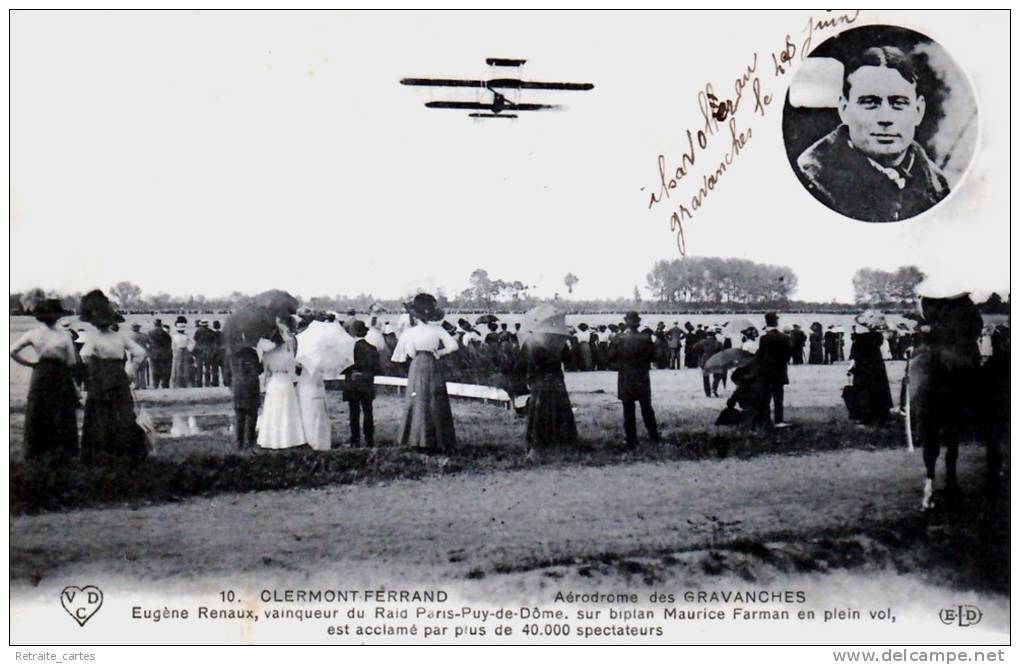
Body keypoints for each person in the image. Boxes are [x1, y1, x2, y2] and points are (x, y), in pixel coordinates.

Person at [795, 46, 949, 222]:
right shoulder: (811, 181)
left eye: (898, 103)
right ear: (844, 109)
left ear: (918, 111)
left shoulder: (938, 185)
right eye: (870, 103)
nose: (885, 118)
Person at [76, 290, 149, 463]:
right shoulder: (121, 337)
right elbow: (140, 352)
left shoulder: (93, 339)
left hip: (100, 377)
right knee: (122, 411)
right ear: (113, 321)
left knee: (100, 412)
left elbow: (84, 356)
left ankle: (101, 450)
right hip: (118, 375)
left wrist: (95, 367)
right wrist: (130, 371)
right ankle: (126, 450)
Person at [10, 299, 80, 461]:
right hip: (59, 373)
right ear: (57, 316)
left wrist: (30, 364)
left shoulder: (33, 333)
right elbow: (71, 361)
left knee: (39, 410)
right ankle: (62, 450)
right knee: (61, 410)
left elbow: (12, 351)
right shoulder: (63, 335)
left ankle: (38, 451)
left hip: (41, 372)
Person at [391, 293, 459, 453]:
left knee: (418, 400)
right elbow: (453, 346)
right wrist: (439, 353)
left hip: (417, 365)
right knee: (435, 400)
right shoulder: (438, 329)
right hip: (433, 364)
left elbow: (410, 353)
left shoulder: (410, 332)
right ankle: (439, 439)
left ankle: (417, 439)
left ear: (416, 316)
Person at [608, 311, 661, 447]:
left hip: (626, 377)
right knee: (647, 407)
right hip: (642, 376)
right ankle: (654, 436)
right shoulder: (645, 338)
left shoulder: (618, 338)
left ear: (626, 322)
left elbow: (611, 357)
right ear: (638, 323)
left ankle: (631, 440)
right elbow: (654, 357)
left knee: (628, 409)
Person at [257, 319, 306, 450]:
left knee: (273, 411)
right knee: (287, 411)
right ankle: (289, 438)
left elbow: (266, 372)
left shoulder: (268, 354)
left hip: (274, 382)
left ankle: (272, 439)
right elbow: (292, 369)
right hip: (285, 381)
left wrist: (264, 385)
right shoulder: (288, 354)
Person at [523, 334, 577, 450]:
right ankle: (561, 436)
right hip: (556, 378)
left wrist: (529, 378)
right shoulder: (558, 342)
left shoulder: (534, 341)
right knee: (558, 407)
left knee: (539, 409)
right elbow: (568, 360)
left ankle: (540, 437)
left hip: (540, 379)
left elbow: (530, 363)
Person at [845, 310, 893, 425]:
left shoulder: (862, 339)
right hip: (875, 366)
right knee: (877, 388)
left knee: (864, 389)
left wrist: (851, 364)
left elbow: (856, 352)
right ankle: (880, 415)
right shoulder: (876, 337)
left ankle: (866, 416)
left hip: (864, 367)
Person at [343, 320, 381, 447]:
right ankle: (369, 439)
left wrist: (353, 372)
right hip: (366, 383)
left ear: (353, 332)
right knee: (368, 411)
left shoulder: (347, 349)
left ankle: (355, 439)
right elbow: (377, 369)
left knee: (353, 412)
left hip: (352, 382)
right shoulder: (372, 348)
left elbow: (343, 368)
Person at [756, 312, 792, 427]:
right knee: (778, 397)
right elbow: (788, 355)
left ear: (766, 322)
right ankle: (779, 420)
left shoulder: (763, 338)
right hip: (779, 370)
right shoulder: (784, 338)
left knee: (766, 397)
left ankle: (766, 419)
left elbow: (760, 356)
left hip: (766, 372)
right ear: (776, 322)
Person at [230, 345, 262, 449]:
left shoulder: (233, 353)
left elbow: (228, 371)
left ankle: (239, 441)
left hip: (238, 386)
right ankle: (251, 439)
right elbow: (259, 369)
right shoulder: (252, 353)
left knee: (239, 415)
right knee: (252, 414)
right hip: (251, 386)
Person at [694, 331, 725, 397]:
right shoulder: (718, 343)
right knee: (717, 376)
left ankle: (707, 393)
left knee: (706, 378)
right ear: (714, 336)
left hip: (705, 361)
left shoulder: (703, 342)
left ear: (707, 335)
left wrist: (701, 354)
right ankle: (714, 388)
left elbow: (694, 347)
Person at [147, 318, 173, 388]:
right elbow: (168, 344)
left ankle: (155, 384)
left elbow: (149, 343)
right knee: (164, 371)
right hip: (164, 354)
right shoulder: (165, 333)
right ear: (161, 324)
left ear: (154, 324)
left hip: (154, 354)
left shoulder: (150, 333)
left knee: (155, 370)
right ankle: (164, 385)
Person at [192, 319, 218, 387]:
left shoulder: (198, 331)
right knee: (207, 368)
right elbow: (214, 342)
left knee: (199, 368)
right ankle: (207, 382)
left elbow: (195, 339)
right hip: (208, 352)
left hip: (199, 352)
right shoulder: (211, 332)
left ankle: (199, 383)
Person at [169, 316, 193, 388]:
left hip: (178, 351)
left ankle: (176, 384)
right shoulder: (187, 336)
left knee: (177, 367)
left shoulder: (174, 336)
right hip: (185, 351)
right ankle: (186, 383)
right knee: (185, 368)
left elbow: (172, 346)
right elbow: (192, 344)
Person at [128, 322, 150, 388]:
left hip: (135, 354)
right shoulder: (145, 335)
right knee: (142, 371)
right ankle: (143, 385)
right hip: (143, 354)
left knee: (135, 371)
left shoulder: (131, 337)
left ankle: (136, 385)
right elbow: (150, 344)